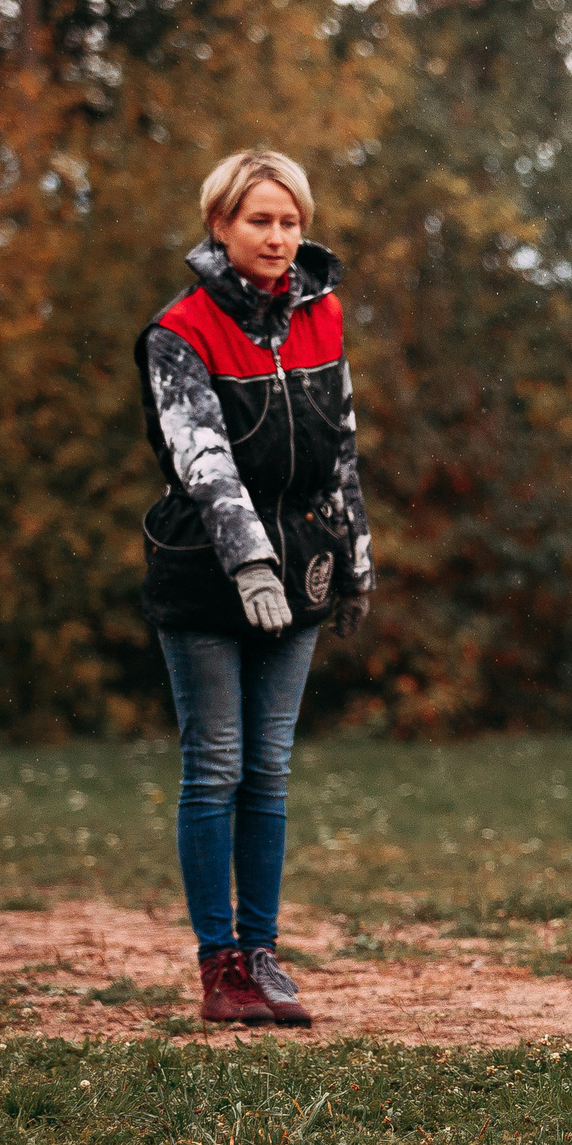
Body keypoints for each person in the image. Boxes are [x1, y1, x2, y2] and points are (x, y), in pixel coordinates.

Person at [136, 150, 372, 1026]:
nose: (279, 237)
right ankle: (219, 967)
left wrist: (355, 558)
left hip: (302, 565)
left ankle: (263, 956)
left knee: (269, 772)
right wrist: (248, 563)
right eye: (260, 221)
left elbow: (340, 447)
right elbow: (203, 461)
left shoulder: (323, 315)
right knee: (218, 769)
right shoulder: (179, 333)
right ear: (221, 227)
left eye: (290, 221)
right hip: (206, 573)